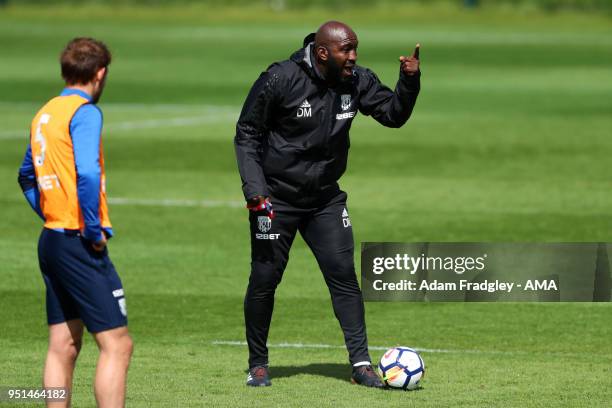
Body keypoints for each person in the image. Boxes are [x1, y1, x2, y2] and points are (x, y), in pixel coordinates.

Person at [234, 21, 420, 388]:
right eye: (346, 50)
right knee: (264, 279)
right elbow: (247, 132)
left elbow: (393, 115)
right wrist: (255, 191)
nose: (353, 57)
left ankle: (361, 363)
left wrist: (409, 81)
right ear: (323, 52)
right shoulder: (280, 78)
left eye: (354, 50)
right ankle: (258, 364)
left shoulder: (357, 81)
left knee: (344, 278)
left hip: (325, 200)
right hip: (275, 200)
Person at [17, 38, 133, 407]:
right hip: (78, 240)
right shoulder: (85, 113)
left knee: (63, 344)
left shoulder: (45, 112)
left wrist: (52, 211)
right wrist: (93, 229)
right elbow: (86, 172)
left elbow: (26, 177)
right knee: (117, 344)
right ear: (100, 74)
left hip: (51, 238)